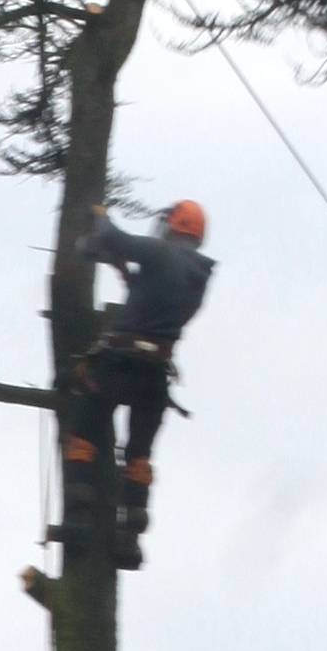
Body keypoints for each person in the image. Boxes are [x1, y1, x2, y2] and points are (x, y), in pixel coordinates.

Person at [60, 200, 215, 569]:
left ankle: (78, 520)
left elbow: (115, 237)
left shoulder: (159, 251)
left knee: (83, 432)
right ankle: (129, 539)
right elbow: (154, 298)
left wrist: (99, 216)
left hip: (118, 364)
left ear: (173, 226)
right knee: (139, 456)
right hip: (154, 376)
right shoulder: (200, 274)